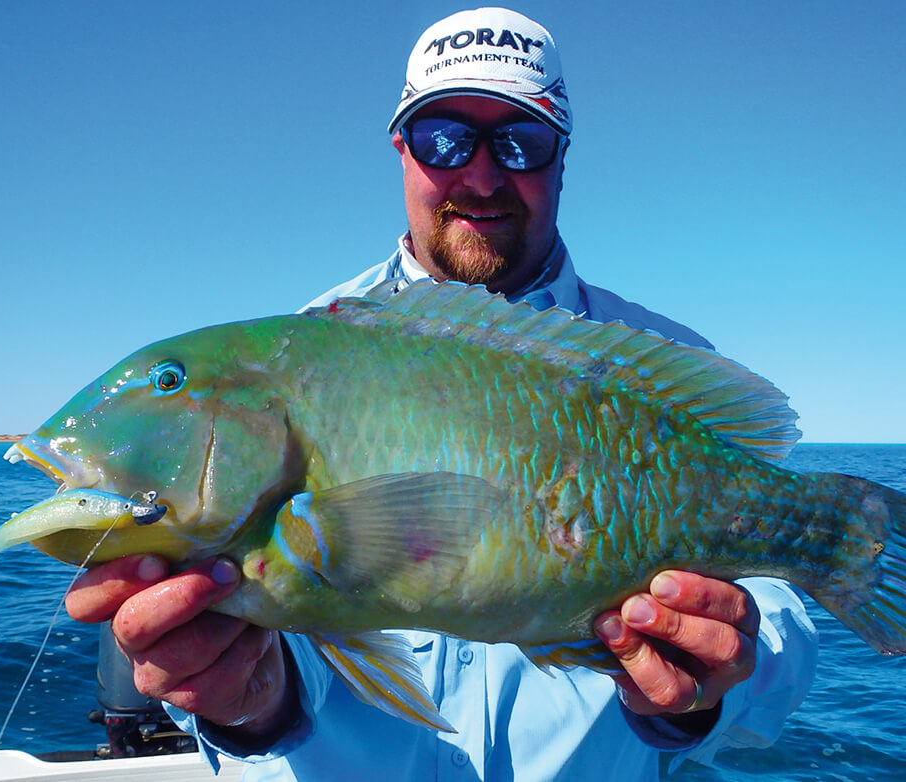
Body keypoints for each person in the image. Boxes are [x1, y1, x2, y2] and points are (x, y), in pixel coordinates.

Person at [66, 8, 818, 780]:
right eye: (445, 139)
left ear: (562, 158)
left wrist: (714, 682)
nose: (483, 176)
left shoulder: (659, 366)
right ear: (401, 148)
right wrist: (253, 704)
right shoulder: (297, 358)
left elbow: (779, 649)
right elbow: (285, 652)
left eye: (521, 142)